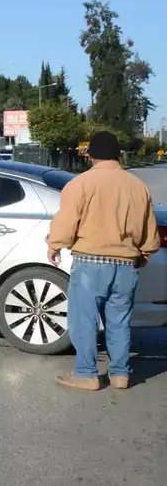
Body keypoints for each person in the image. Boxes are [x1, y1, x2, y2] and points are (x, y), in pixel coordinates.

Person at [48, 131, 160, 391]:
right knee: (119, 320)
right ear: (118, 154)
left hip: (90, 263)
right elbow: (149, 231)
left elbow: (66, 221)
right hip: (126, 266)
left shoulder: (81, 184)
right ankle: (120, 374)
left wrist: (55, 244)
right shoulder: (137, 186)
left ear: (90, 156)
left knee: (85, 320)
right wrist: (143, 254)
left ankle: (87, 373)